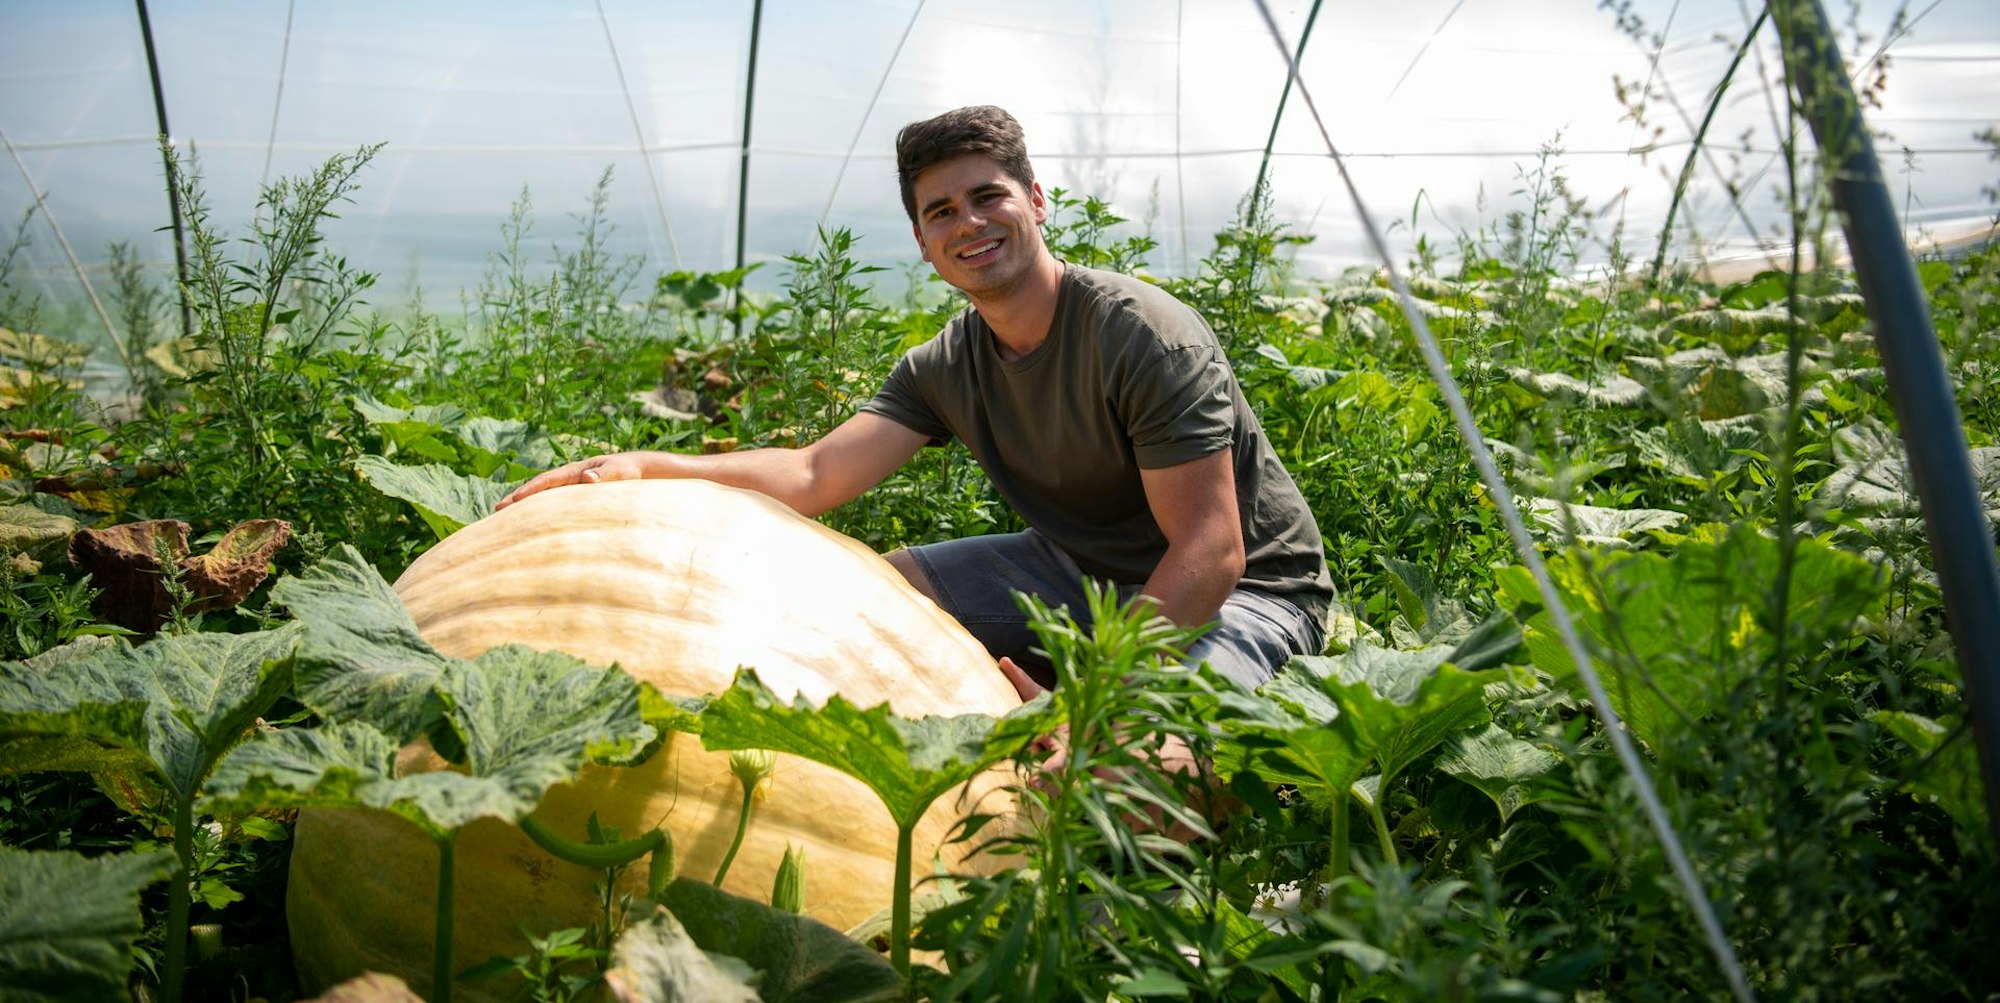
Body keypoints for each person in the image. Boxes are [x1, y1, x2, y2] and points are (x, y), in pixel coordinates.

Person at [499, 105, 1331, 697]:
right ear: (924, 243)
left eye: (988, 196)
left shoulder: (1141, 335)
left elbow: (1211, 551)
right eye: (942, 211)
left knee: (1138, 764)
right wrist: (641, 467)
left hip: (1247, 592)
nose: (968, 222)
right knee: (868, 596)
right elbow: (814, 472)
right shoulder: (947, 365)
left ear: (1037, 201)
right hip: (1077, 570)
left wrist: (1094, 699)